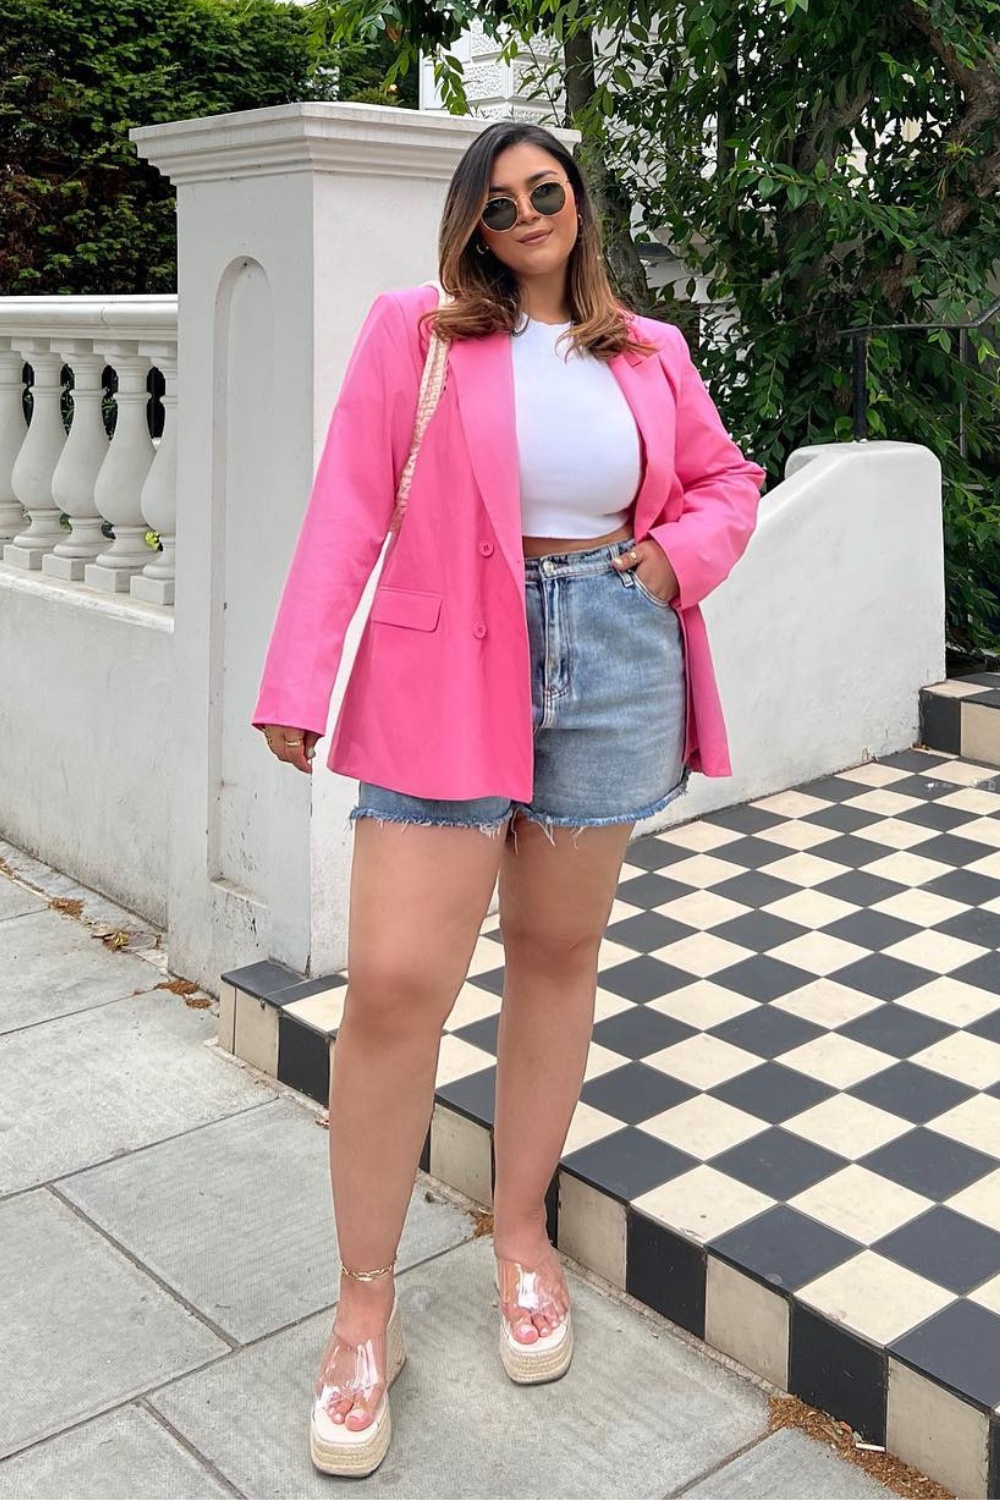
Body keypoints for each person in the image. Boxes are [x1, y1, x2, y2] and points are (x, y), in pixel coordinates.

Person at [251, 118, 766, 1476]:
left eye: (547, 192)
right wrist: (300, 676)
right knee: (396, 984)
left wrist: (666, 565)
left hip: (609, 655)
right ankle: (365, 1309)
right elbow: (349, 503)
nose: (527, 212)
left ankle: (520, 1231)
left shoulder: (648, 349)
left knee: (553, 956)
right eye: (500, 199)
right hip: (442, 671)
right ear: (472, 221)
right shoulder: (416, 331)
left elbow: (726, 481)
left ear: (580, 207)